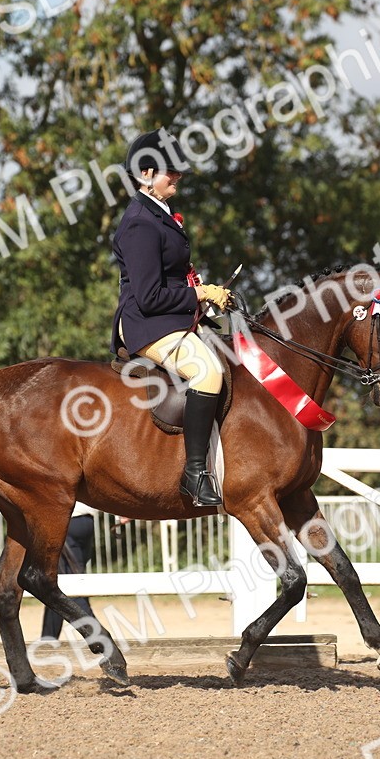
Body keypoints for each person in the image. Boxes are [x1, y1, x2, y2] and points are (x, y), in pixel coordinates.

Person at [111, 128, 232, 507]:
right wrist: (198, 294)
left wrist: (204, 294)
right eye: (170, 171)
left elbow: (171, 278)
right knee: (208, 372)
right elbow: (149, 296)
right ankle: (194, 474)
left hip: (170, 316)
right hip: (148, 324)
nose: (177, 176)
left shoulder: (160, 216)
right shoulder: (139, 224)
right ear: (145, 175)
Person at [40, 503, 97, 640]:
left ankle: (100, 638)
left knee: (72, 587)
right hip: (87, 520)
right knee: (55, 586)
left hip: (65, 520)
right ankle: (48, 640)